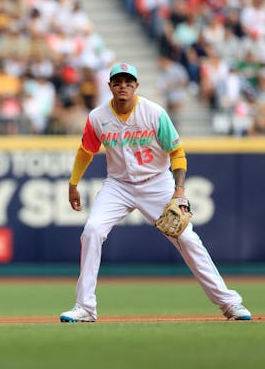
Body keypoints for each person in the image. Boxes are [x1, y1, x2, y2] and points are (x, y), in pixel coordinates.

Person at [59, 63, 252, 323]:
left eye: (129, 82)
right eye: (118, 82)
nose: (123, 86)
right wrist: (73, 183)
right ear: (110, 87)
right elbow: (86, 151)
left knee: (187, 239)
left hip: (156, 183)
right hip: (119, 185)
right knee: (92, 231)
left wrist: (179, 192)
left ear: (136, 86)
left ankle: (230, 303)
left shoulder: (154, 113)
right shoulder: (97, 117)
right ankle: (85, 307)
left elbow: (177, 153)